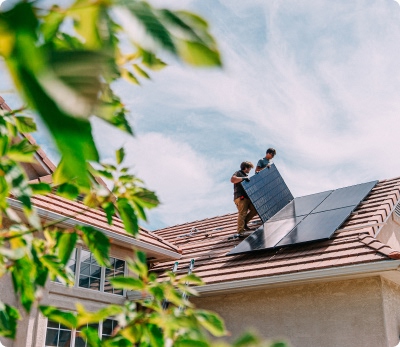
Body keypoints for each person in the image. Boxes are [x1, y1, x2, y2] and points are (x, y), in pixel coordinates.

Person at [231, 161, 258, 236]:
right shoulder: (238, 173)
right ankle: (240, 231)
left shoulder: (246, 176)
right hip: (240, 197)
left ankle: (244, 223)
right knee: (242, 213)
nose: (249, 170)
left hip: (247, 197)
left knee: (255, 210)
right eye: (249, 168)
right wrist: (243, 178)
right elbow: (233, 180)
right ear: (246, 168)